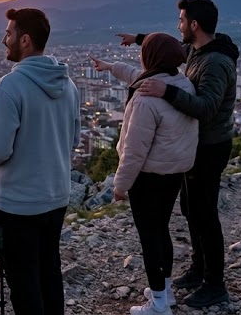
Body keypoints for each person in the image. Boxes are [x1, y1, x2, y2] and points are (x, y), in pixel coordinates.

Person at [117, 0, 239, 308]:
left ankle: (215, 284)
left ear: (194, 25)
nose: (179, 25)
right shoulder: (198, 50)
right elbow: (168, 50)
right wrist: (139, 40)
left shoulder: (215, 62)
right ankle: (199, 270)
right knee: (190, 209)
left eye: (182, 21)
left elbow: (208, 109)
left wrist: (166, 91)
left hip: (211, 147)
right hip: (195, 145)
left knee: (205, 214)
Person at [0, 8, 81, 315]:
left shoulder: (10, 86)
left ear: (24, 40)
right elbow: (74, 141)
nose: (3, 40)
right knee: (49, 270)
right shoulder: (69, 85)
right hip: (57, 195)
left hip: (19, 203)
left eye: (8, 34)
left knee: (23, 281)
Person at [91, 33, 198, 314]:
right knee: (161, 230)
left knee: (149, 236)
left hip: (148, 177)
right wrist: (110, 66)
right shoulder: (180, 83)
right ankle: (166, 291)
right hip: (174, 171)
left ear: (151, 57)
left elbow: (133, 149)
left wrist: (120, 185)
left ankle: (158, 305)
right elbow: (137, 75)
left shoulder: (145, 100)